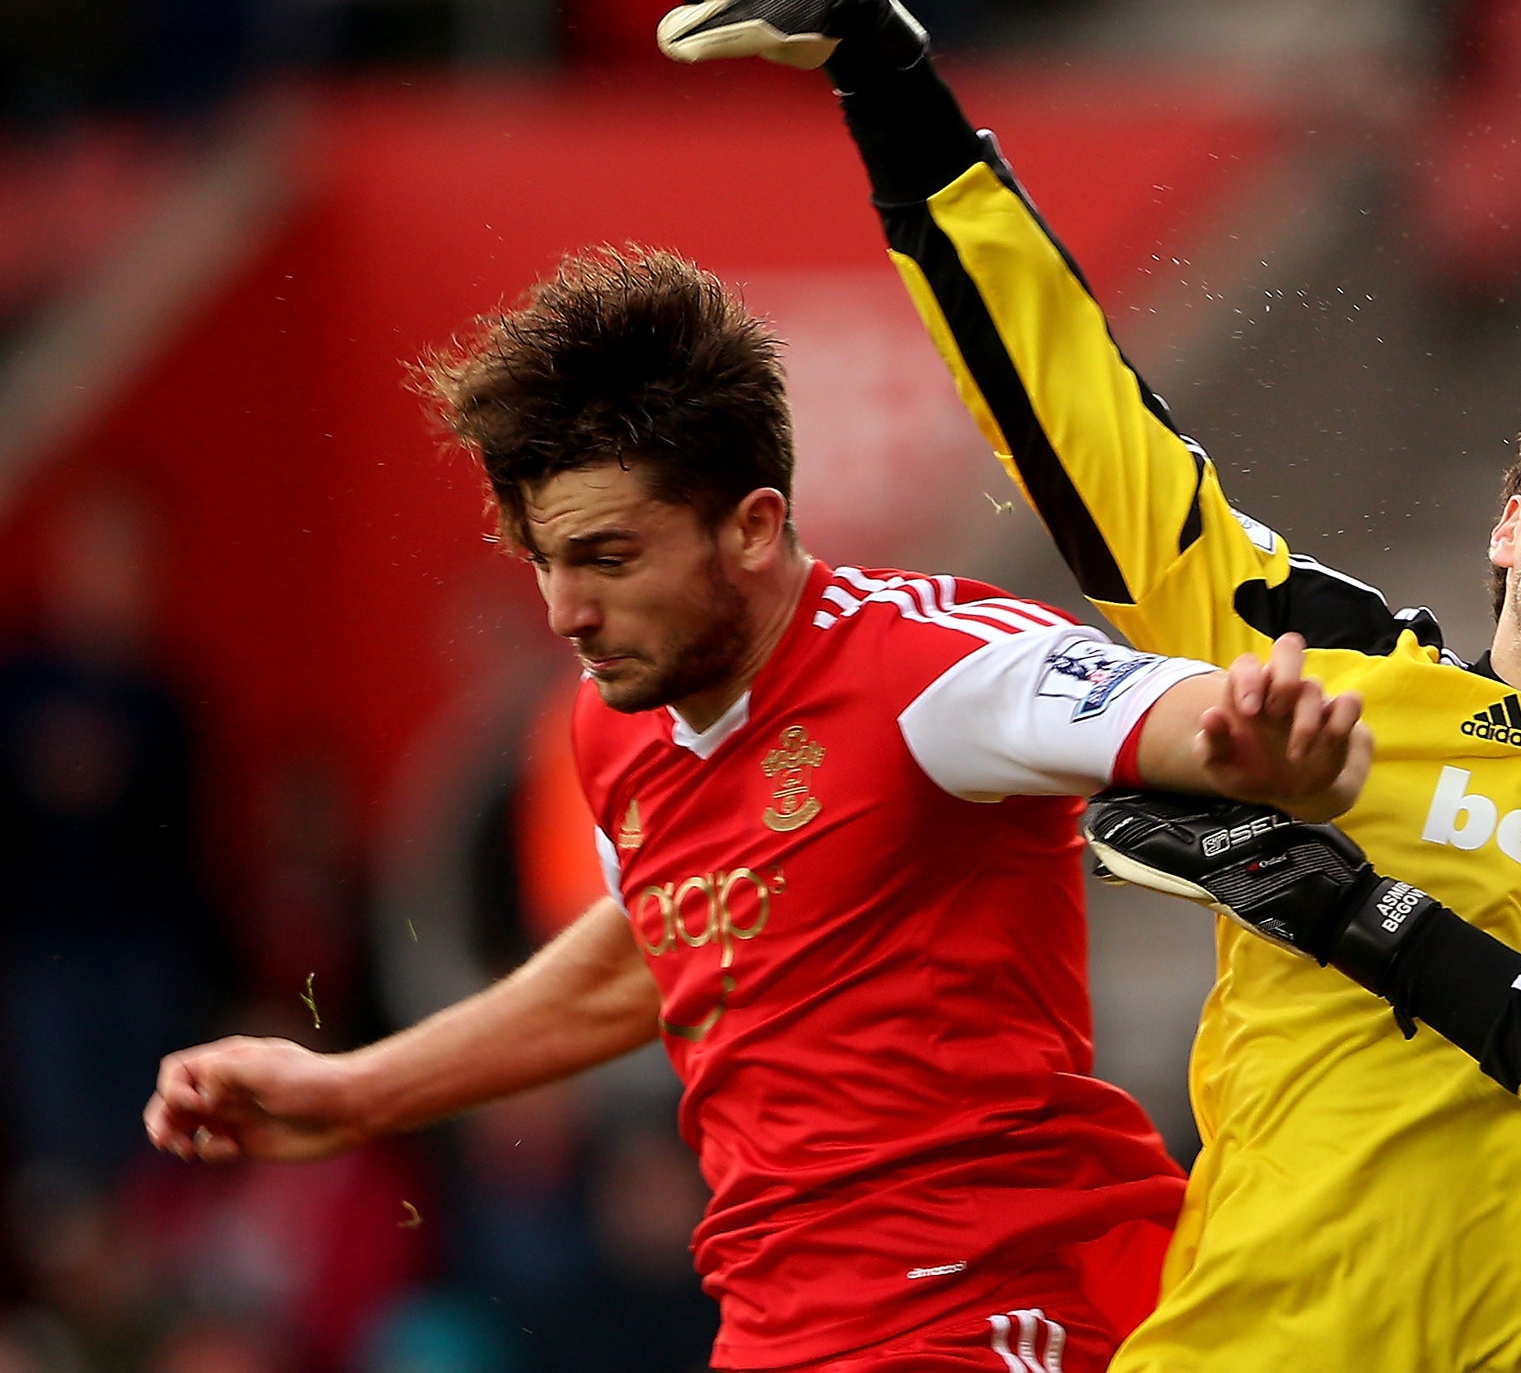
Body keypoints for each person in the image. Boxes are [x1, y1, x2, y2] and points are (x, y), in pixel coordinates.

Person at [657, 0, 1521, 1373]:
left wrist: (1359, 915)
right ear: (1509, 523)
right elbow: (1083, 423)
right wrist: (885, 73)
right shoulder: (1336, 662)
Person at [143, 246, 1372, 1371]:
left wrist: (1270, 752)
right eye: (544, 563)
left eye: (609, 559)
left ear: (753, 526)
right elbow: (657, 953)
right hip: (780, 1333)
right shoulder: (614, 720)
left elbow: (1186, 718)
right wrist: (354, 1091)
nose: (565, 612)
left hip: (1002, 1309)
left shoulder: (929, 670)